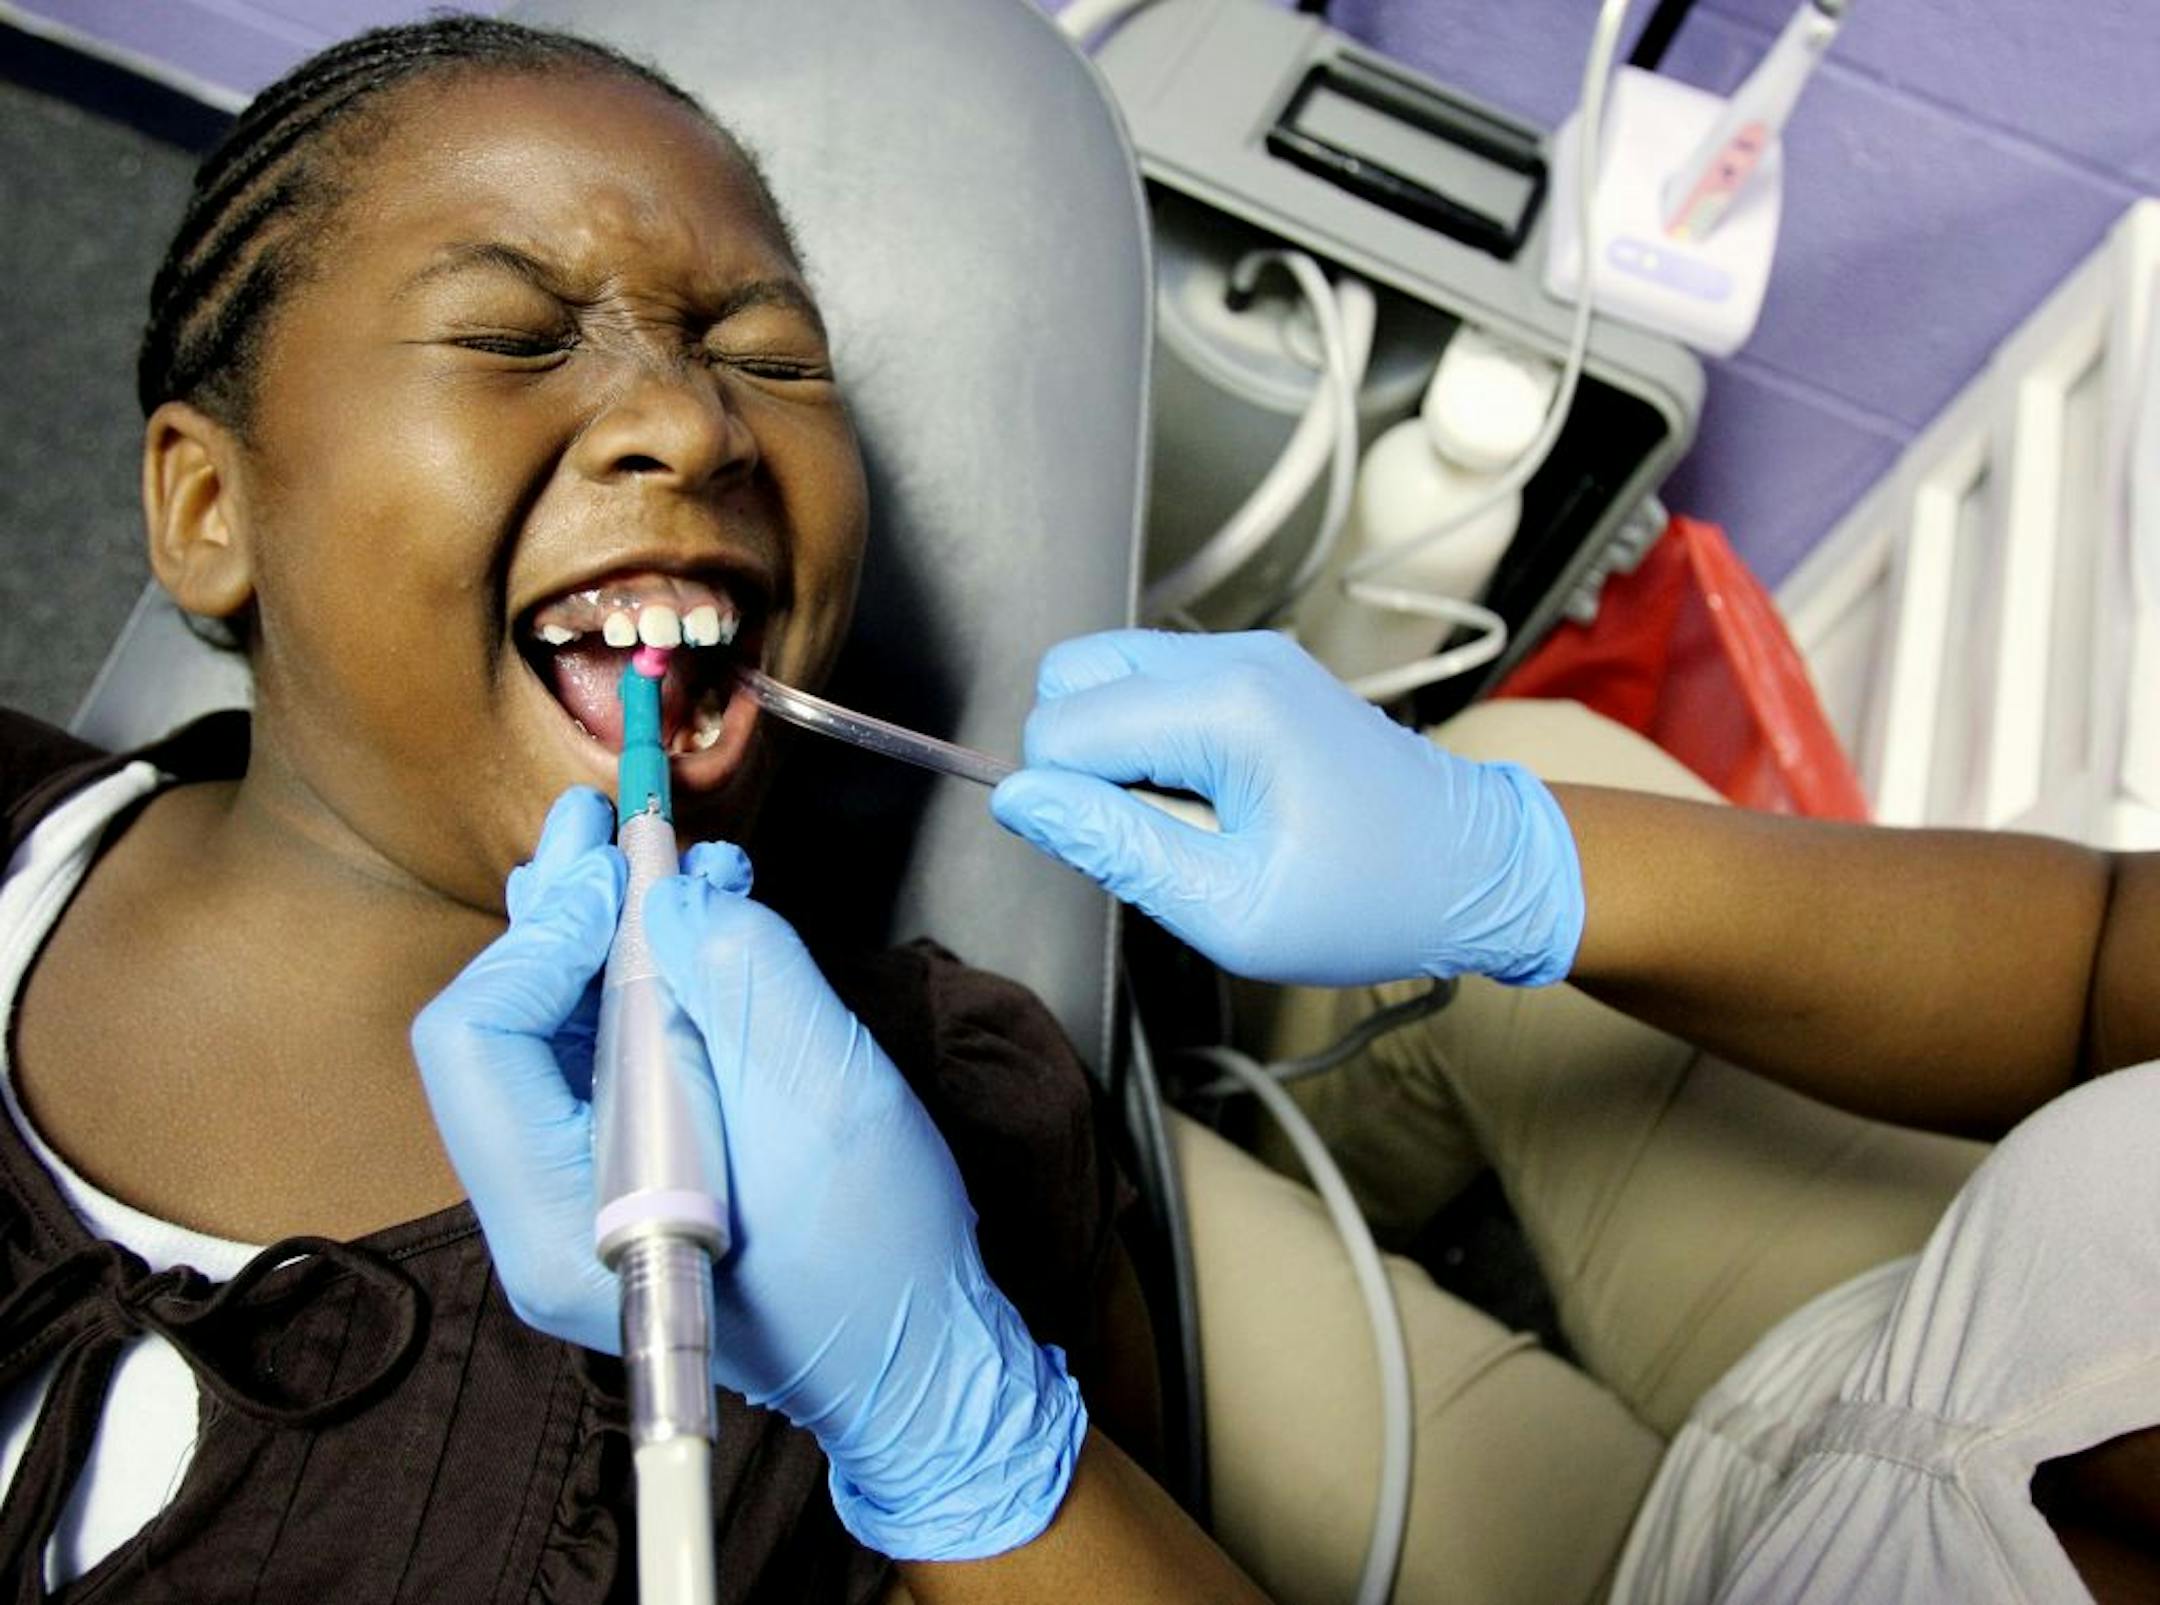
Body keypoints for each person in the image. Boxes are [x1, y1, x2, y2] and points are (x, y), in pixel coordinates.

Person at [0, 19, 1264, 1602]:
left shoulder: (960, 1133)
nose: (700, 425)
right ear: (208, 507)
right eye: (511, 336)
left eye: (771, 361)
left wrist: (973, 1446)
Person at [990, 626, 2160, 1604]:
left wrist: (979, 1481)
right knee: (1522, 754)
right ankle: (1276, 1134)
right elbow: (2098, 959)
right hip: (1932, 1295)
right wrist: (1512, 864)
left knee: (1032, 1171)